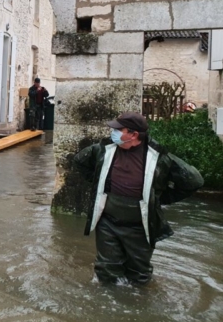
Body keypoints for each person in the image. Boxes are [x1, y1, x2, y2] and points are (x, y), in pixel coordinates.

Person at [74, 111, 203, 285]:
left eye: (119, 130)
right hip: (107, 223)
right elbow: (79, 161)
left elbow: (194, 180)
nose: (114, 132)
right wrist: (100, 185)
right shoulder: (104, 149)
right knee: (106, 271)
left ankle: (137, 304)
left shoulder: (158, 157)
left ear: (134, 134)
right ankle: (107, 305)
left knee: (139, 275)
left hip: (140, 227)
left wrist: (158, 198)